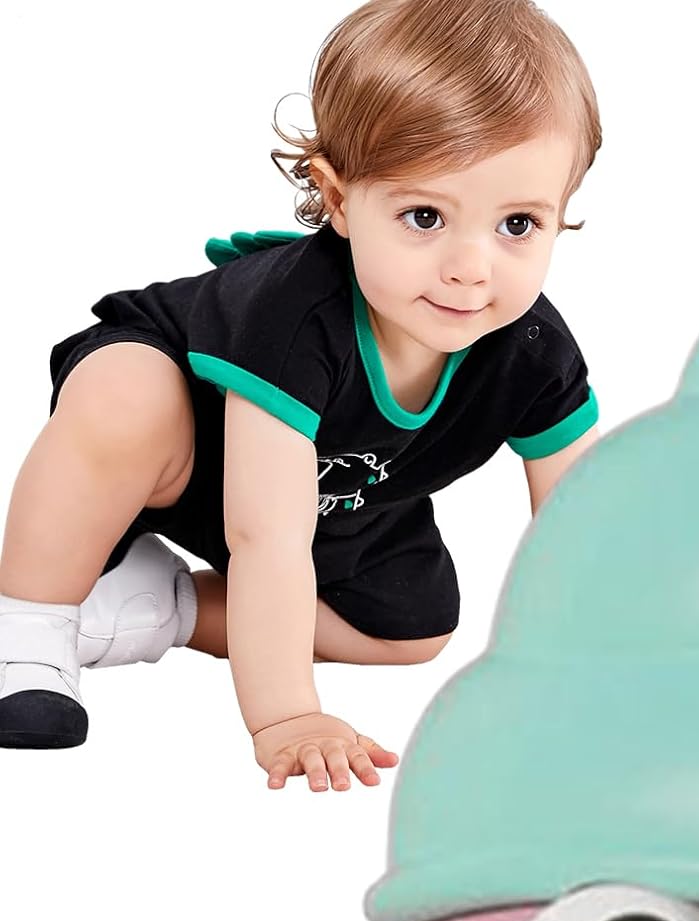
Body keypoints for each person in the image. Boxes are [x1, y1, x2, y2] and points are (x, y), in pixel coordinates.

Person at [0, 0, 602, 792]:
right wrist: (287, 714)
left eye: (518, 225)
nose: (471, 267)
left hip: (333, 491)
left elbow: (585, 529)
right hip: (192, 438)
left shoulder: (531, 350)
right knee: (124, 398)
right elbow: (265, 538)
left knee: (414, 629)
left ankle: (156, 607)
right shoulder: (296, 318)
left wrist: (600, 672)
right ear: (341, 200)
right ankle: (29, 625)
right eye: (425, 216)